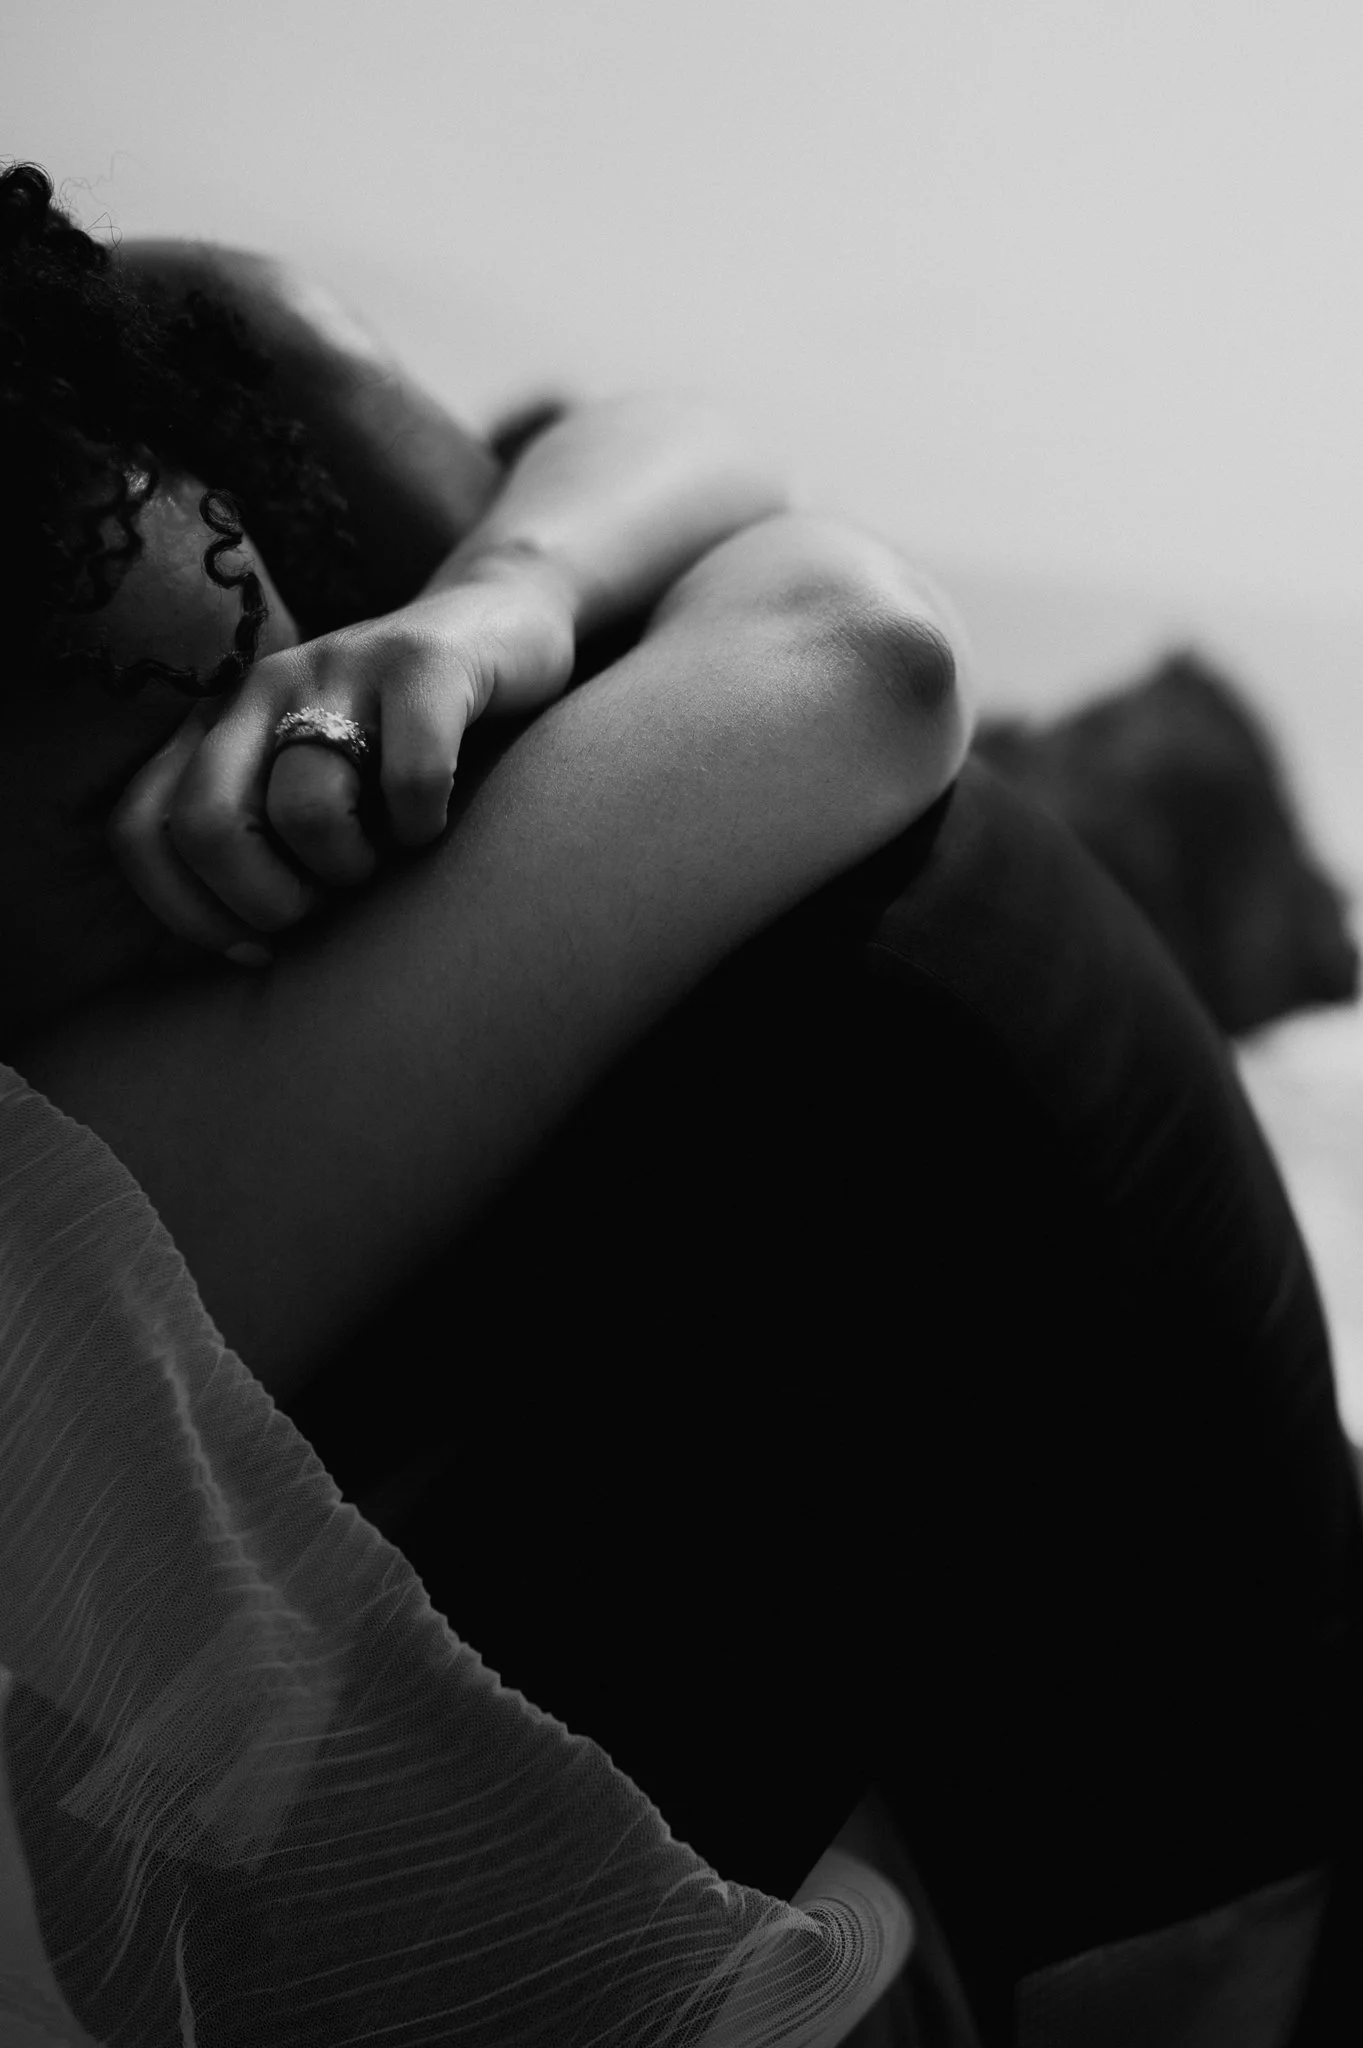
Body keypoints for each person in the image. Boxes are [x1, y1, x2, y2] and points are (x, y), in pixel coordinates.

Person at [4, 161, 1363, 2045]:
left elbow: (715, 508)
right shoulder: (82, 1216)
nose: (289, 831)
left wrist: (488, 606)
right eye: (123, 839)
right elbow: (850, 648)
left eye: (265, 677)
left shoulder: (106, 401)